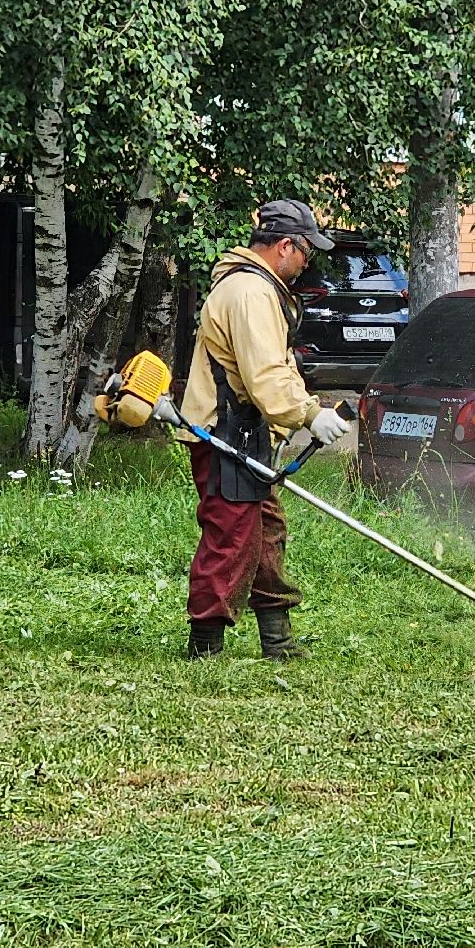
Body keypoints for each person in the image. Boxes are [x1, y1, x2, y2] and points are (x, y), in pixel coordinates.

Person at [178, 199, 352, 660]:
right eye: (305, 252)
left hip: (246, 435)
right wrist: (308, 415)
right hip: (224, 434)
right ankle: (205, 645)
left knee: (266, 532)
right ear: (284, 245)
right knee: (232, 537)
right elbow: (266, 375)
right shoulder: (251, 293)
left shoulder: (260, 288)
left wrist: (307, 407)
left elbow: (277, 368)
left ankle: (278, 640)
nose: (306, 262)